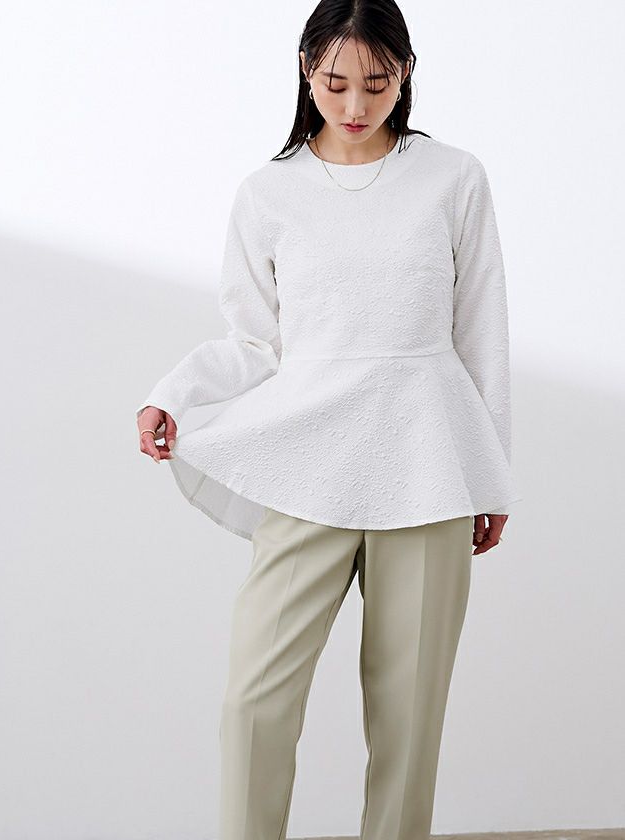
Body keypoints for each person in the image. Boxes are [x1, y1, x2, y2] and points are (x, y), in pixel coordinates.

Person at [136, 2, 522, 838]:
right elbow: (256, 341)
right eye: (335, 82)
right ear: (306, 68)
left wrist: (492, 475)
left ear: (406, 72)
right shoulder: (269, 192)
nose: (354, 105)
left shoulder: (453, 178)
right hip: (306, 465)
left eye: (377, 84)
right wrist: (176, 390)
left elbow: (480, 333)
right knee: (253, 702)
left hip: (428, 469)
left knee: (409, 720)